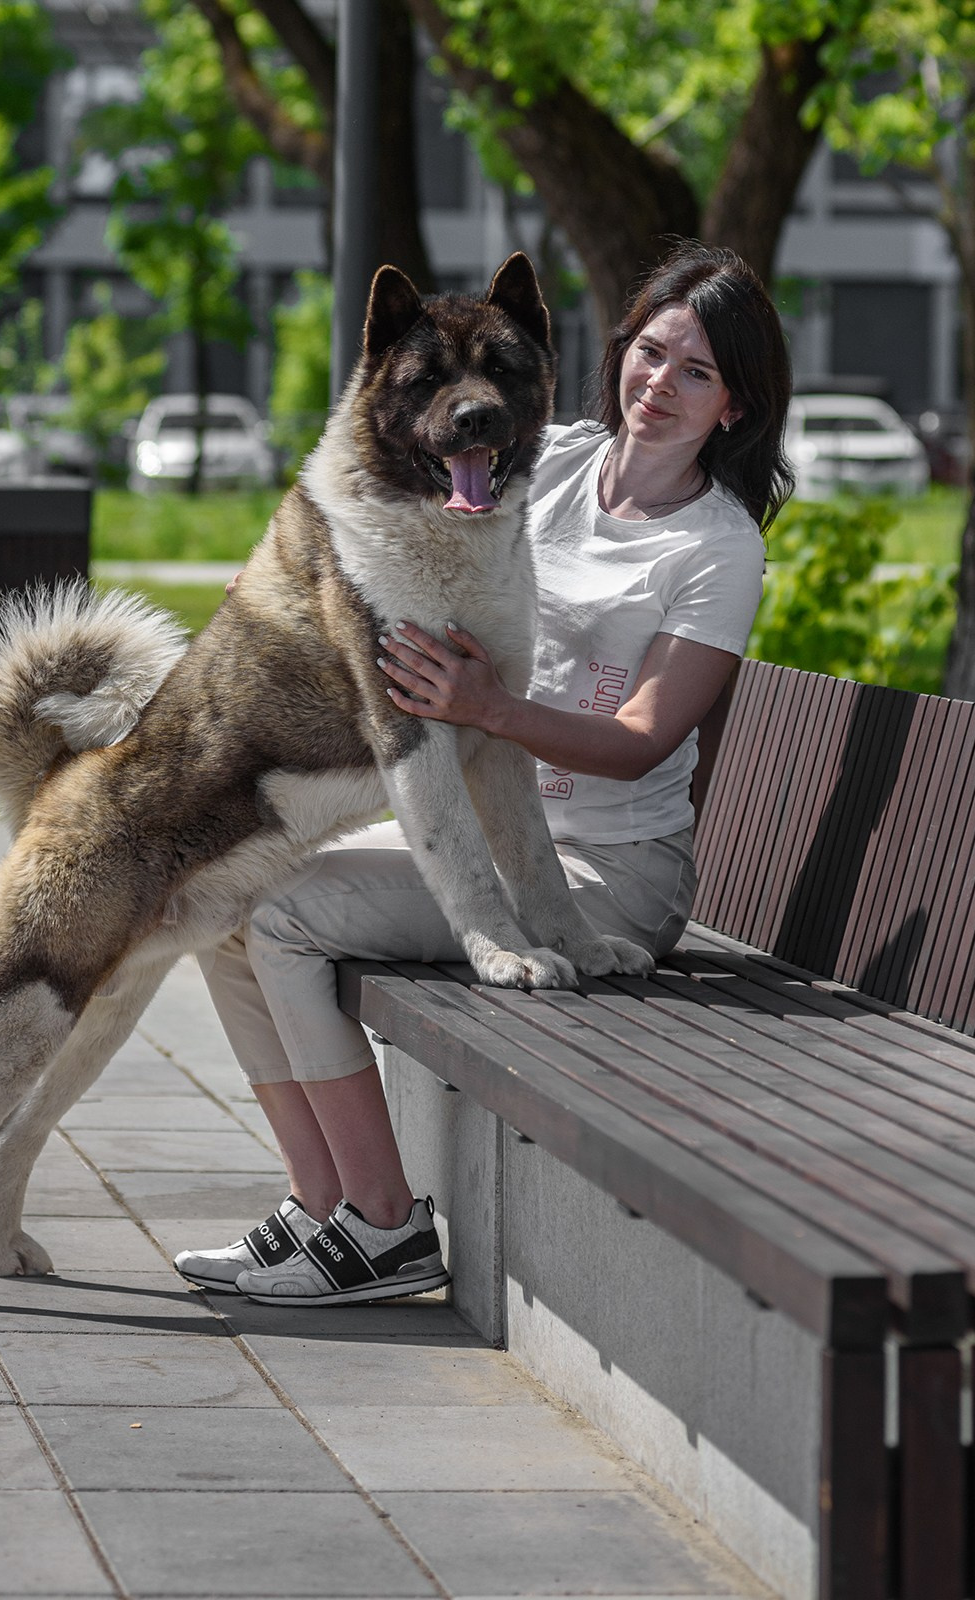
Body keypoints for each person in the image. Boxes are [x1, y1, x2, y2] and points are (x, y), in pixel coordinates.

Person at [175, 241, 794, 1306]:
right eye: (650, 352)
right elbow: (369, 517)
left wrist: (489, 709)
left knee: (281, 912)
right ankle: (322, 1205)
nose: (660, 384)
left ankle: (382, 1222)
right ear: (615, 353)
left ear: (733, 406)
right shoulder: (533, 462)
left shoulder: (713, 548)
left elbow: (644, 734)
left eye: (695, 372)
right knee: (219, 895)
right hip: (477, 835)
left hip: (604, 869)